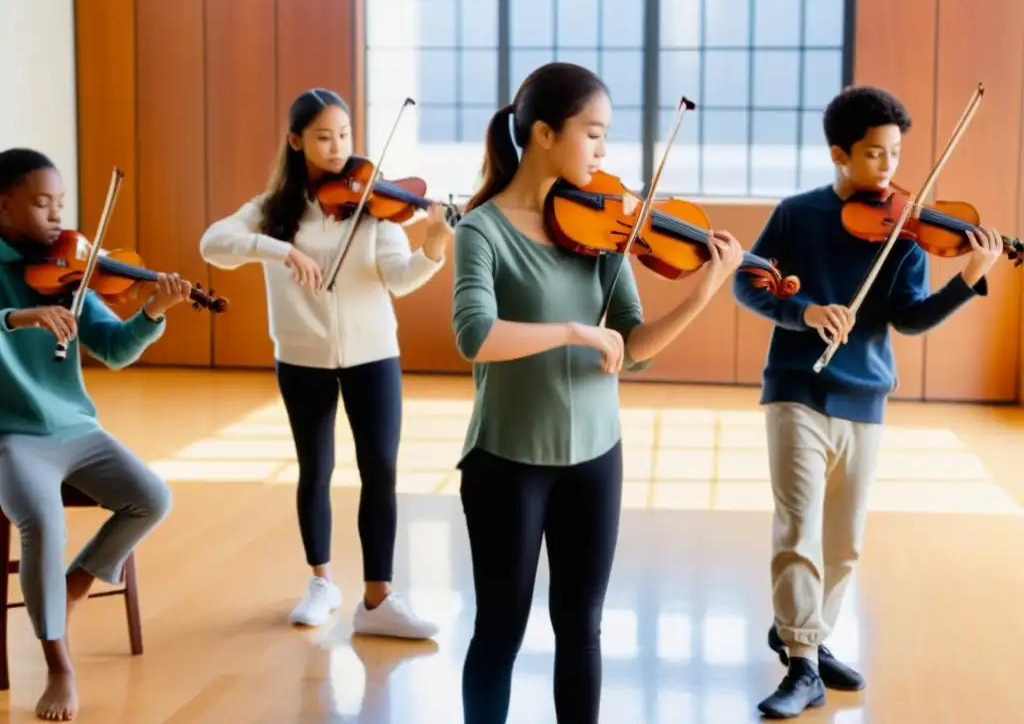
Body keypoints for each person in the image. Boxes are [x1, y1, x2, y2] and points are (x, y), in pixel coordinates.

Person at [450, 61, 745, 724]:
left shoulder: (605, 231)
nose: (605, 151)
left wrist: (702, 291)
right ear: (546, 134)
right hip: (507, 463)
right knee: (500, 629)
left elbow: (631, 348)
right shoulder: (482, 232)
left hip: (594, 460)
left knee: (582, 628)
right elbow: (475, 336)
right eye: (595, 133)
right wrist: (571, 331)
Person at [732, 85, 1005, 719]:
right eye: (876, 155)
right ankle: (802, 663)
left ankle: (808, 635)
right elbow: (748, 284)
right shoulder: (797, 215)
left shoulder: (907, 231)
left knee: (843, 540)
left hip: (866, 397)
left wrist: (967, 281)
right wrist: (803, 311)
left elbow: (909, 319)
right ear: (840, 154)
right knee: (797, 528)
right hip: (797, 390)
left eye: (896, 154)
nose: (889, 168)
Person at [198, 88, 450, 639]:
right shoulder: (272, 210)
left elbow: (398, 279)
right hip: (302, 358)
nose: (338, 147)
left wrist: (431, 249)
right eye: (323, 136)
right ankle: (321, 581)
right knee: (315, 468)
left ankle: (378, 599)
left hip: (374, 355)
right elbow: (212, 244)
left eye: (344, 135)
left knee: (379, 469)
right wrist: (280, 249)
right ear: (296, 142)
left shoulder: (375, 207)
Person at [0, 148, 181, 721]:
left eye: (60, 203)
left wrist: (152, 313)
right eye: (41, 203)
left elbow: (114, 350)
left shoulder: (69, 270)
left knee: (152, 498)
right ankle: (59, 664)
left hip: (75, 427)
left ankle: (74, 586)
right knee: (42, 520)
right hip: (11, 437)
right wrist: (17, 317)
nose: (57, 216)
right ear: (3, 206)